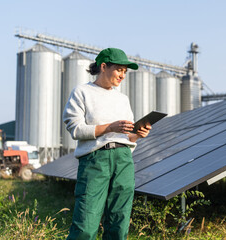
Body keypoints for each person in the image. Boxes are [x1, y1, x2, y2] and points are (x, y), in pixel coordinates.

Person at [63, 48, 151, 240]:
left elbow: (126, 137)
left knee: (119, 225)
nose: (122, 75)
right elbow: (76, 129)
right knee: (86, 223)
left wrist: (137, 135)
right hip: (95, 160)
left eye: (125, 72)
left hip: (123, 160)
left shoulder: (123, 99)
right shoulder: (82, 92)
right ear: (103, 66)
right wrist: (110, 127)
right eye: (119, 70)